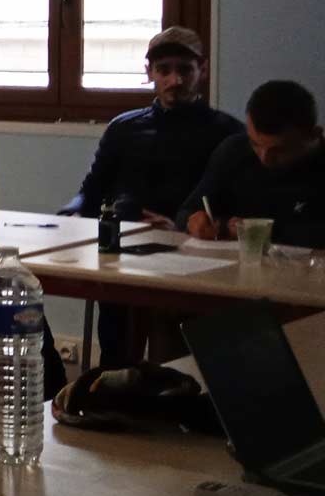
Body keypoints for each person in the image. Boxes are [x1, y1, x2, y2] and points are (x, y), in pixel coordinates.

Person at [56, 27, 241, 366]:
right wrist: (69, 216)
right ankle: (113, 380)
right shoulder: (124, 128)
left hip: (192, 258)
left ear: (202, 70)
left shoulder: (227, 133)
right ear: (149, 72)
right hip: (125, 250)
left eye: (184, 70)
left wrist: (182, 227)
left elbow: (234, 207)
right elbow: (91, 190)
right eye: (164, 70)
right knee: (116, 350)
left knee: (175, 358)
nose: (174, 80)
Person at [181, 79, 325, 248]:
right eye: (255, 144)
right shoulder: (234, 151)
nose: (264, 158)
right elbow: (186, 212)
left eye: (278, 150)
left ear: (314, 135)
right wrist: (195, 222)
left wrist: (261, 232)